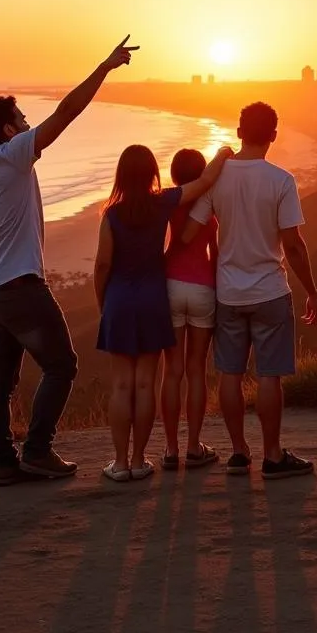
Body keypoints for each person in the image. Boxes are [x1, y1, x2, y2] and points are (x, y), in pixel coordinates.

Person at [0, 36, 136, 487]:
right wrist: (104, 66)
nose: (28, 124)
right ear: (7, 131)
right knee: (62, 365)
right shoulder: (14, 156)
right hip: (19, 286)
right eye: (21, 119)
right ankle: (37, 450)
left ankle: (3, 464)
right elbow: (67, 112)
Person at [181, 102, 317, 480]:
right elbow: (292, 244)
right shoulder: (281, 181)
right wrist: (311, 290)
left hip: (228, 293)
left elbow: (190, 231)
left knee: (229, 373)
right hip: (270, 292)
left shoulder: (219, 178)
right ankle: (273, 455)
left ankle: (239, 454)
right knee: (268, 376)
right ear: (273, 135)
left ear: (240, 132)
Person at [94, 143, 233, 482]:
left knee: (123, 386)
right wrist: (225, 151)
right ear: (154, 174)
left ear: (121, 176)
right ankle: (142, 460)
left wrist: (104, 304)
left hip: (125, 301)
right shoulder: (162, 204)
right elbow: (204, 183)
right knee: (148, 383)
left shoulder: (112, 215)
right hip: (156, 298)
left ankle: (121, 462)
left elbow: (102, 265)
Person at [159, 148, 221, 471]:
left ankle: (170, 450)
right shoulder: (208, 209)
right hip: (202, 289)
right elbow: (216, 253)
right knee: (196, 369)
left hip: (170, 287)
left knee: (172, 371)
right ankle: (195, 447)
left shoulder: (170, 205)